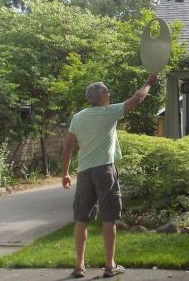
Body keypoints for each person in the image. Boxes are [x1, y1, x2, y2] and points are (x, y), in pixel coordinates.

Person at [62, 72, 158, 278]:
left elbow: (68, 148)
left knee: (81, 218)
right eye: (107, 90)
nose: (110, 92)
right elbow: (138, 98)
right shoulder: (109, 112)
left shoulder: (78, 117)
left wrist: (65, 173)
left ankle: (79, 267)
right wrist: (149, 83)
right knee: (109, 218)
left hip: (84, 173)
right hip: (105, 170)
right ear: (101, 97)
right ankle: (109, 266)